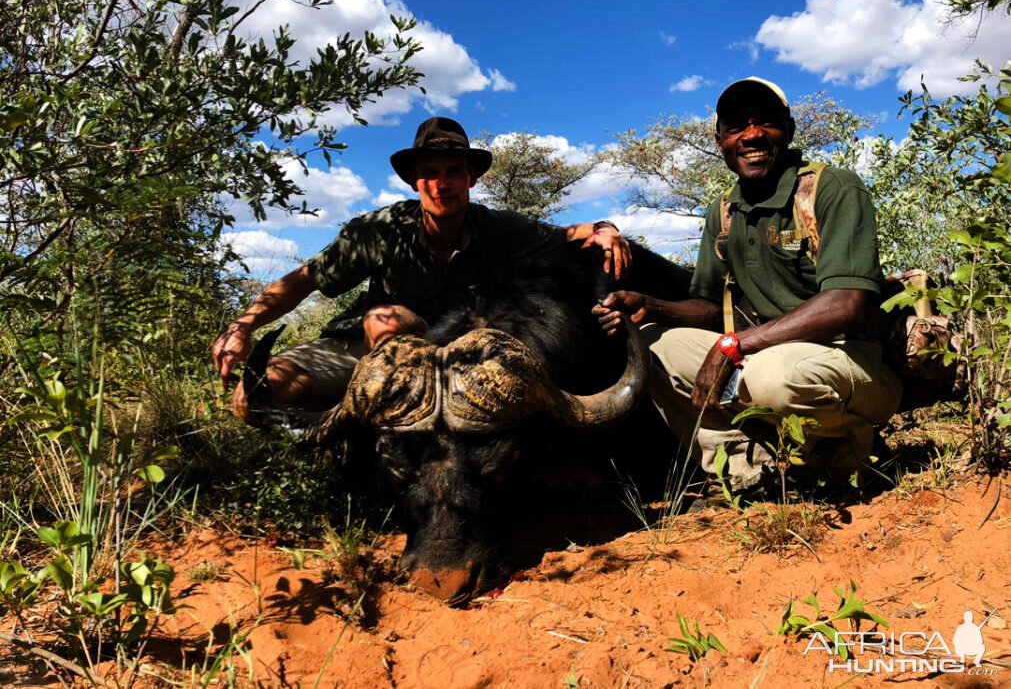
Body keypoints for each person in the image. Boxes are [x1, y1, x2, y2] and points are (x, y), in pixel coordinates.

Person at [213, 116, 631, 423]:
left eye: (453, 172)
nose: (442, 184)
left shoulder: (498, 227)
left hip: (462, 364)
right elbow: (303, 281)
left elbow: (564, 235)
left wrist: (604, 229)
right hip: (376, 353)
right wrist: (243, 326)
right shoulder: (379, 230)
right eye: (430, 174)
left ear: (471, 179)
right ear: (415, 182)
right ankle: (360, 431)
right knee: (256, 396)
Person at [594, 78, 902, 492]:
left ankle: (855, 457)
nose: (752, 135)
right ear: (719, 140)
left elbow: (846, 304)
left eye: (766, 123)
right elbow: (706, 305)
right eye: (737, 126)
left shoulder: (831, 188)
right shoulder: (722, 211)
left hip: (852, 359)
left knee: (773, 376)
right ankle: (744, 473)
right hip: (766, 351)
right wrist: (652, 306)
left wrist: (734, 346)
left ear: (789, 130)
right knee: (651, 346)